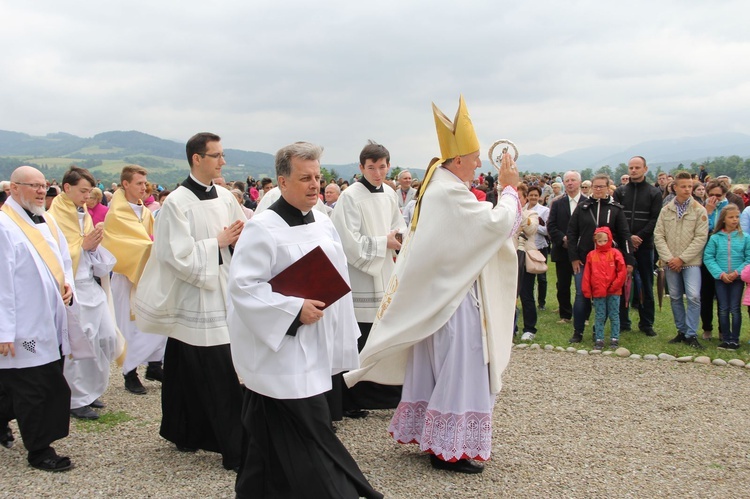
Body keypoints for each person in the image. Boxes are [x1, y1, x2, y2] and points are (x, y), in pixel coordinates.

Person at [345, 95, 521, 474]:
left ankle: (435, 437)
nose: (478, 163)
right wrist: (509, 190)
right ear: (457, 159)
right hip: (452, 303)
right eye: (474, 157)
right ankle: (448, 449)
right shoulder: (448, 191)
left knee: (439, 368)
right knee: (460, 367)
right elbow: (494, 226)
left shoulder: (438, 184)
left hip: (443, 294)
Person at [227, 142, 382, 499]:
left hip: (315, 343)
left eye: (317, 177)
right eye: (305, 178)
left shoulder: (323, 222)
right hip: (282, 349)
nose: (315, 185)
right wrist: (294, 311)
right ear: (282, 182)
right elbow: (244, 288)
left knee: (270, 438)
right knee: (308, 432)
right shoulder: (263, 228)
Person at [133, 133, 245, 470]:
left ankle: (183, 431)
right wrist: (217, 242)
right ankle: (236, 449)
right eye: (216, 156)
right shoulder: (176, 203)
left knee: (182, 368)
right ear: (197, 159)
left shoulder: (225, 197)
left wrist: (239, 241)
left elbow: (244, 232)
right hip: (196, 295)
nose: (222, 162)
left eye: (222, 155)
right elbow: (172, 254)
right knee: (218, 372)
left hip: (221, 288)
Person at [0, 166, 76, 471]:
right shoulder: (4, 226)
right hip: (23, 325)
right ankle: (40, 450)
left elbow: (63, 260)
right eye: (32, 186)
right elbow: (2, 281)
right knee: (36, 387)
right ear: (14, 189)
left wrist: (68, 285)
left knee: (15, 384)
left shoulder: (47, 219)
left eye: (43, 185)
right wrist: (3, 329)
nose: (40, 191)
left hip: (50, 318)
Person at [330, 140, 406, 418]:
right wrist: (381, 243)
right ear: (361, 167)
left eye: (382, 167)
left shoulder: (389, 192)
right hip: (360, 277)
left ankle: (383, 393)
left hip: (385, 272)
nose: (377, 172)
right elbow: (346, 241)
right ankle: (351, 399)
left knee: (380, 335)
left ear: (388, 166)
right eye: (371, 167)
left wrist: (398, 237)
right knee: (359, 338)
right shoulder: (350, 197)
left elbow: (399, 224)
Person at [48, 166, 118, 420]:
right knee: (79, 345)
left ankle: (90, 391)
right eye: (83, 191)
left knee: (105, 338)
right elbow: (54, 253)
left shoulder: (84, 213)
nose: (87, 196)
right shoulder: (52, 216)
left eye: (90, 191)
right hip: (73, 288)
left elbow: (85, 246)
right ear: (67, 188)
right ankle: (75, 398)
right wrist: (83, 246)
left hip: (90, 285)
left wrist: (93, 246)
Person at [102, 165, 166, 394]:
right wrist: (154, 248)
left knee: (159, 318)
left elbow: (154, 236)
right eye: (138, 183)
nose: (144, 187)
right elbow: (121, 245)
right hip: (127, 277)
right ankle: (130, 372)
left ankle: (155, 364)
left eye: (145, 183)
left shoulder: (144, 211)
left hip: (147, 274)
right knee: (130, 324)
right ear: (125, 184)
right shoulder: (116, 213)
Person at [567, 174, 634, 343]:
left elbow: (625, 236)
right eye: (595, 186)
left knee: (604, 296)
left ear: (608, 187)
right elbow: (572, 232)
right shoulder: (582, 208)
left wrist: (629, 260)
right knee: (582, 295)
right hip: (584, 260)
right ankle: (578, 330)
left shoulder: (616, 209)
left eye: (601, 187)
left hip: (607, 262)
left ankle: (599, 330)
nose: (598, 190)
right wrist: (574, 257)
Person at [654, 171, 708, 349]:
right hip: (670, 262)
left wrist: (682, 259)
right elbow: (658, 235)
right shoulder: (666, 210)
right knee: (675, 297)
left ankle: (691, 333)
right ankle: (681, 331)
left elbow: (700, 238)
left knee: (693, 296)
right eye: (683, 186)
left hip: (690, 262)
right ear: (675, 187)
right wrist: (669, 258)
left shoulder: (699, 210)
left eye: (690, 186)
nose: (687, 189)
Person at [614, 156, 663, 337]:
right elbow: (618, 218)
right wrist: (628, 238)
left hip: (645, 245)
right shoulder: (620, 192)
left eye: (637, 167)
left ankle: (646, 323)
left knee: (646, 285)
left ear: (645, 169)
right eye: (631, 167)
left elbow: (654, 219)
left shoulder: (654, 193)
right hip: (624, 245)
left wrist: (639, 237)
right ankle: (623, 321)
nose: (633, 170)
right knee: (621, 283)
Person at [703, 204, 750, 350]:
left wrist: (737, 272)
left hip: (737, 279)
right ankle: (725, 338)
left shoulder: (745, 237)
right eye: (731, 217)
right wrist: (720, 274)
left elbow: (748, 258)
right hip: (721, 278)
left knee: (735, 308)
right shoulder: (715, 238)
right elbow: (708, 257)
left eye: (737, 217)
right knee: (723, 308)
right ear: (723, 219)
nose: (735, 220)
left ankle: (735, 339)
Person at [547, 171, 585, 325]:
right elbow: (551, 225)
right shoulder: (557, 203)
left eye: (573, 180)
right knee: (562, 285)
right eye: (567, 180)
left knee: (582, 285)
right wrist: (563, 238)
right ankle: (565, 315)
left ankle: (584, 315)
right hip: (562, 250)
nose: (570, 183)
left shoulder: (587, 202)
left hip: (581, 251)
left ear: (579, 182)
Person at [582, 227, 627, 349]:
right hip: (598, 291)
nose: (602, 243)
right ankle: (599, 338)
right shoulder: (591, 255)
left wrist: (615, 286)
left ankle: (614, 338)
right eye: (599, 241)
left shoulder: (615, 253)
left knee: (614, 314)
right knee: (599, 315)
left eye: (605, 240)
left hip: (614, 291)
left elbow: (622, 271)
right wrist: (587, 290)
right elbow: (587, 274)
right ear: (595, 241)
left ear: (610, 239)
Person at [516, 185, 540, 341]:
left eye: (519, 197)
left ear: (525, 199)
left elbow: (531, 229)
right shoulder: (503, 214)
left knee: (526, 294)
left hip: (524, 257)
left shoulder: (531, 213)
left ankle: (529, 328)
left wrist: (518, 211)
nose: (516, 200)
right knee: (508, 295)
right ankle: (511, 327)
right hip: (508, 257)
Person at [526, 185, 550, 310]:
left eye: (536, 195)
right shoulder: (523, 209)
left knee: (541, 275)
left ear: (539, 196)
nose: (533, 197)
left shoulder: (544, 210)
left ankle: (541, 302)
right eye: (531, 195)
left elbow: (547, 230)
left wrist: (534, 226)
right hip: (526, 247)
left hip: (540, 246)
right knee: (528, 275)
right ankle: (528, 299)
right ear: (527, 196)